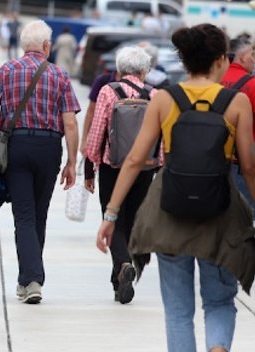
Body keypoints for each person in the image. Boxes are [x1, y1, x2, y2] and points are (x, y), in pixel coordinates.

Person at [96, 23, 255, 352]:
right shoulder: (236, 102)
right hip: (220, 214)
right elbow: (250, 166)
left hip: (170, 213)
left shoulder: (165, 99)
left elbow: (135, 160)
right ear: (220, 61)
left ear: (184, 62)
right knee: (219, 302)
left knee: (179, 311)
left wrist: (111, 215)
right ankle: (218, 348)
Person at [0, 20, 81, 304]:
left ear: (24, 45)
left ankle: (30, 279)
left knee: (23, 215)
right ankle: (30, 279)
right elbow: (70, 122)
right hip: (49, 147)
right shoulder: (59, 74)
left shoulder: (7, 70)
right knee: (39, 214)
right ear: (47, 46)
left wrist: (2, 130)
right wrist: (72, 161)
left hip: (18, 145)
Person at [84, 46, 159, 304]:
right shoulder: (155, 94)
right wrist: (158, 164)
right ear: (143, 70)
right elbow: (161, 137)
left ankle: (123, 265)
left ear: (119, 69)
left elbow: (96, 133)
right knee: (131, 220)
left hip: (111, 166)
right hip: (144, 167)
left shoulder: (108, 91)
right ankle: (121, 278)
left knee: (112, 217)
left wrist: (89, 166)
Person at [220, 37, 255, 221]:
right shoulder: (251, 84)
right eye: (252, 54)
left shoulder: (215, 80)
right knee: (246, 214)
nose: (253, 58)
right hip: (242, 160)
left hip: (213, 158)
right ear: (241, 57)